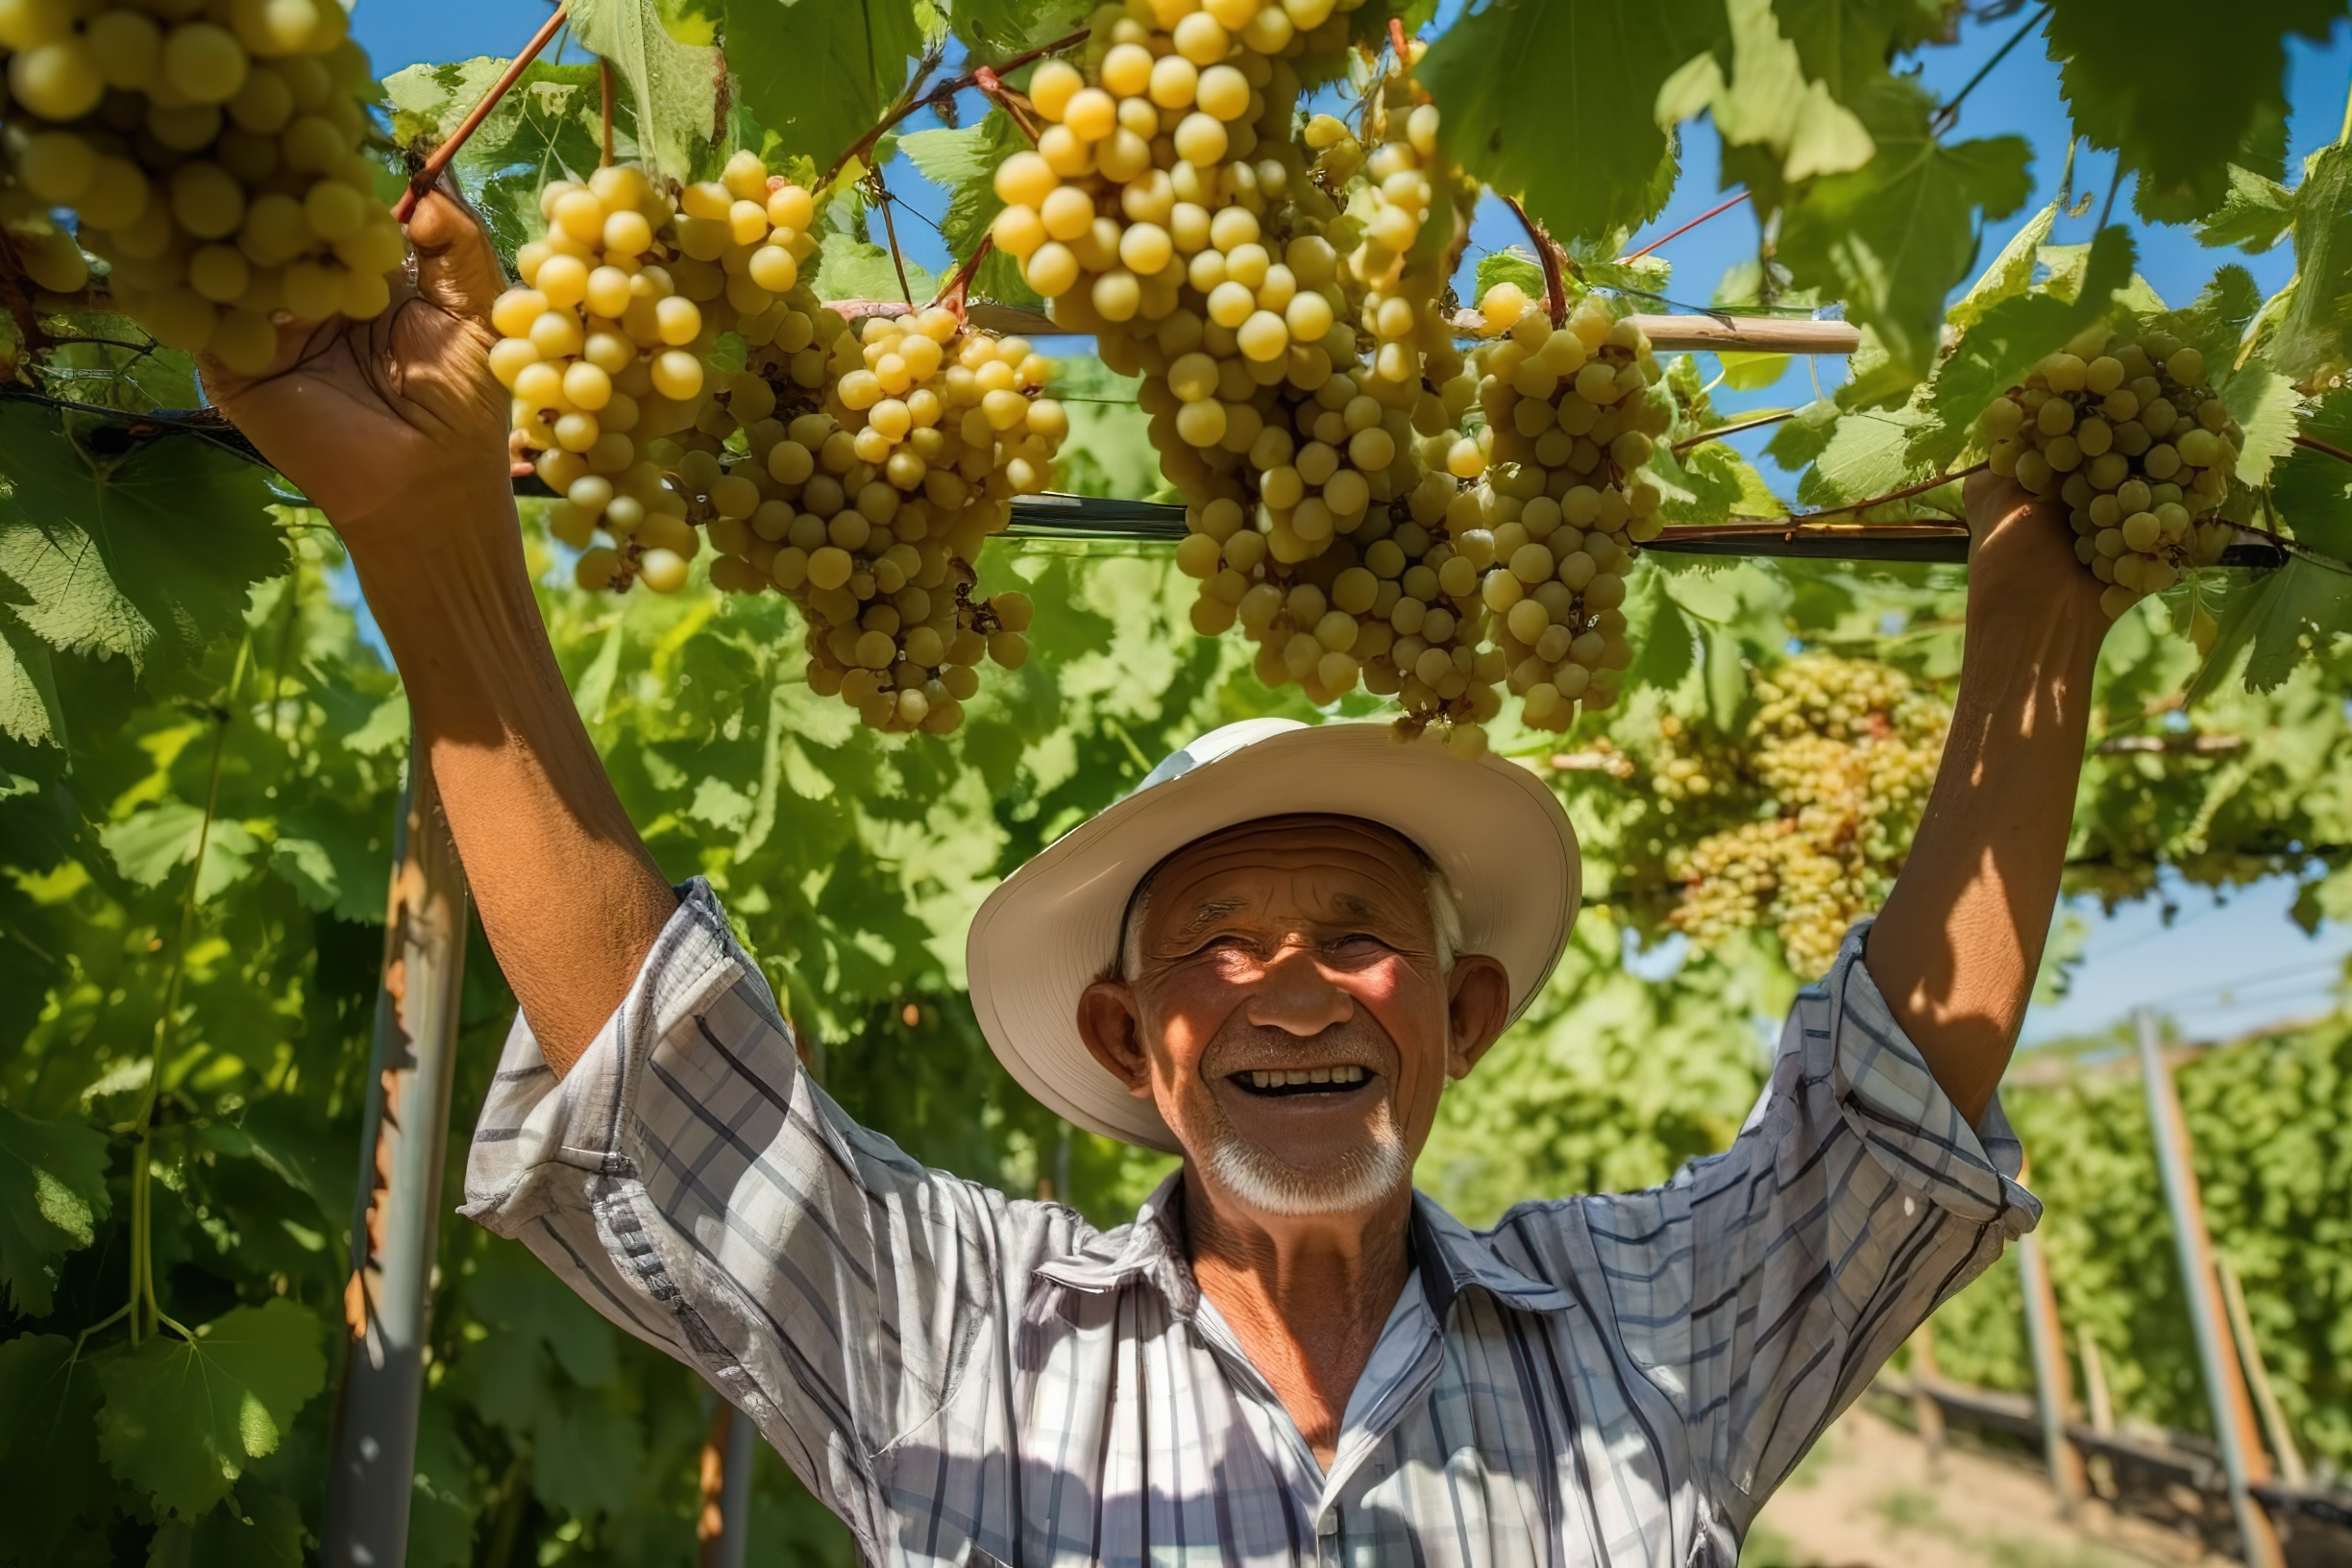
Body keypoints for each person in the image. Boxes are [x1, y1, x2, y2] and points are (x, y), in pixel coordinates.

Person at [216, 191, 2102, 1567]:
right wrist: (430, 541)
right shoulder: (955, 1336)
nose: (1292, 984)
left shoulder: (1642, 1337)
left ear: (1462, 1015)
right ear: (1129, 1036)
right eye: (1219, 949)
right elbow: (666, 1092)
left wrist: (2042, 617)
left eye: (1360, 939)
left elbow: (1882, 1126)